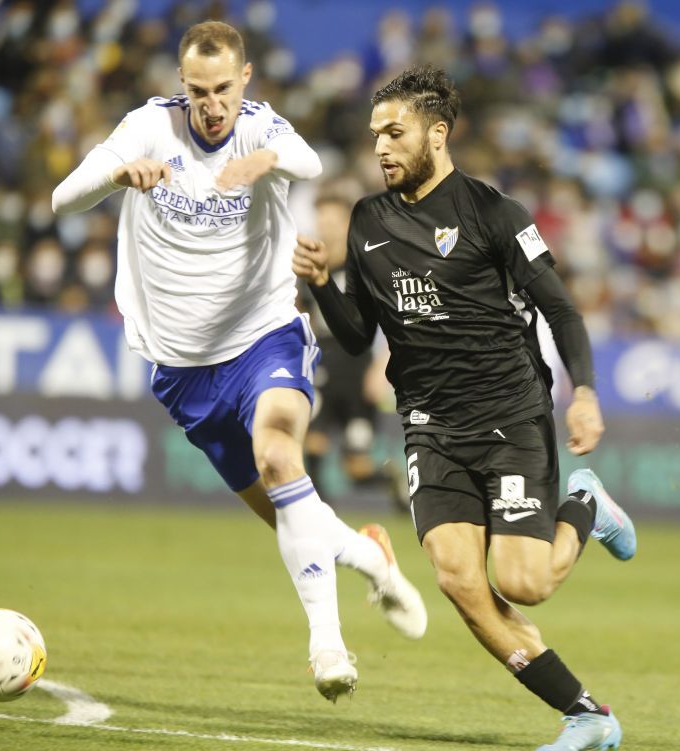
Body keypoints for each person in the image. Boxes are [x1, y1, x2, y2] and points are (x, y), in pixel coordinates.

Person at [51, 20, 427, 703]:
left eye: (224, 87)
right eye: (198, 90)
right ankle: (372, 555)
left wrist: (265, 162)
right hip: (181, 370)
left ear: (244, 80)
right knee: (290, 514)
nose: (212, 103)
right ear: (180, 84)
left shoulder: (263, 128)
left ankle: (328, 646)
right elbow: (61, 197)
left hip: (263, 336)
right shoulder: (148, 128)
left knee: (282, 459)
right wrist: (116, 174)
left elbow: (309, 161)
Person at [293, 66, 636, 751]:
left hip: (510, 416)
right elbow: (361, 336)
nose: (382, 148)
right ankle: (587, 714)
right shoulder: (367, 221)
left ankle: (585, 502)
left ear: (438, 134)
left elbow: (561, 308)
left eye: (396, 133)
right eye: (375, 136)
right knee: (457, 578)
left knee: (522, 582)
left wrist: (587, 393)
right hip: (429, 426)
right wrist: (325, 285)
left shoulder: (494, 213)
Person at [301, 189, 407, 511]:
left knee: (356, 470)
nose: (326, 226)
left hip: (359, 370)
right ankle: (319, 520)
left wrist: (382, 367)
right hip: (322, 365)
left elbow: (395, 319)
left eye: (332, 219)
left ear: (347, 222)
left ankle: (394, 482)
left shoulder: (365, 264)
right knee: (313, 445)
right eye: (321, 219)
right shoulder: (307, 266)